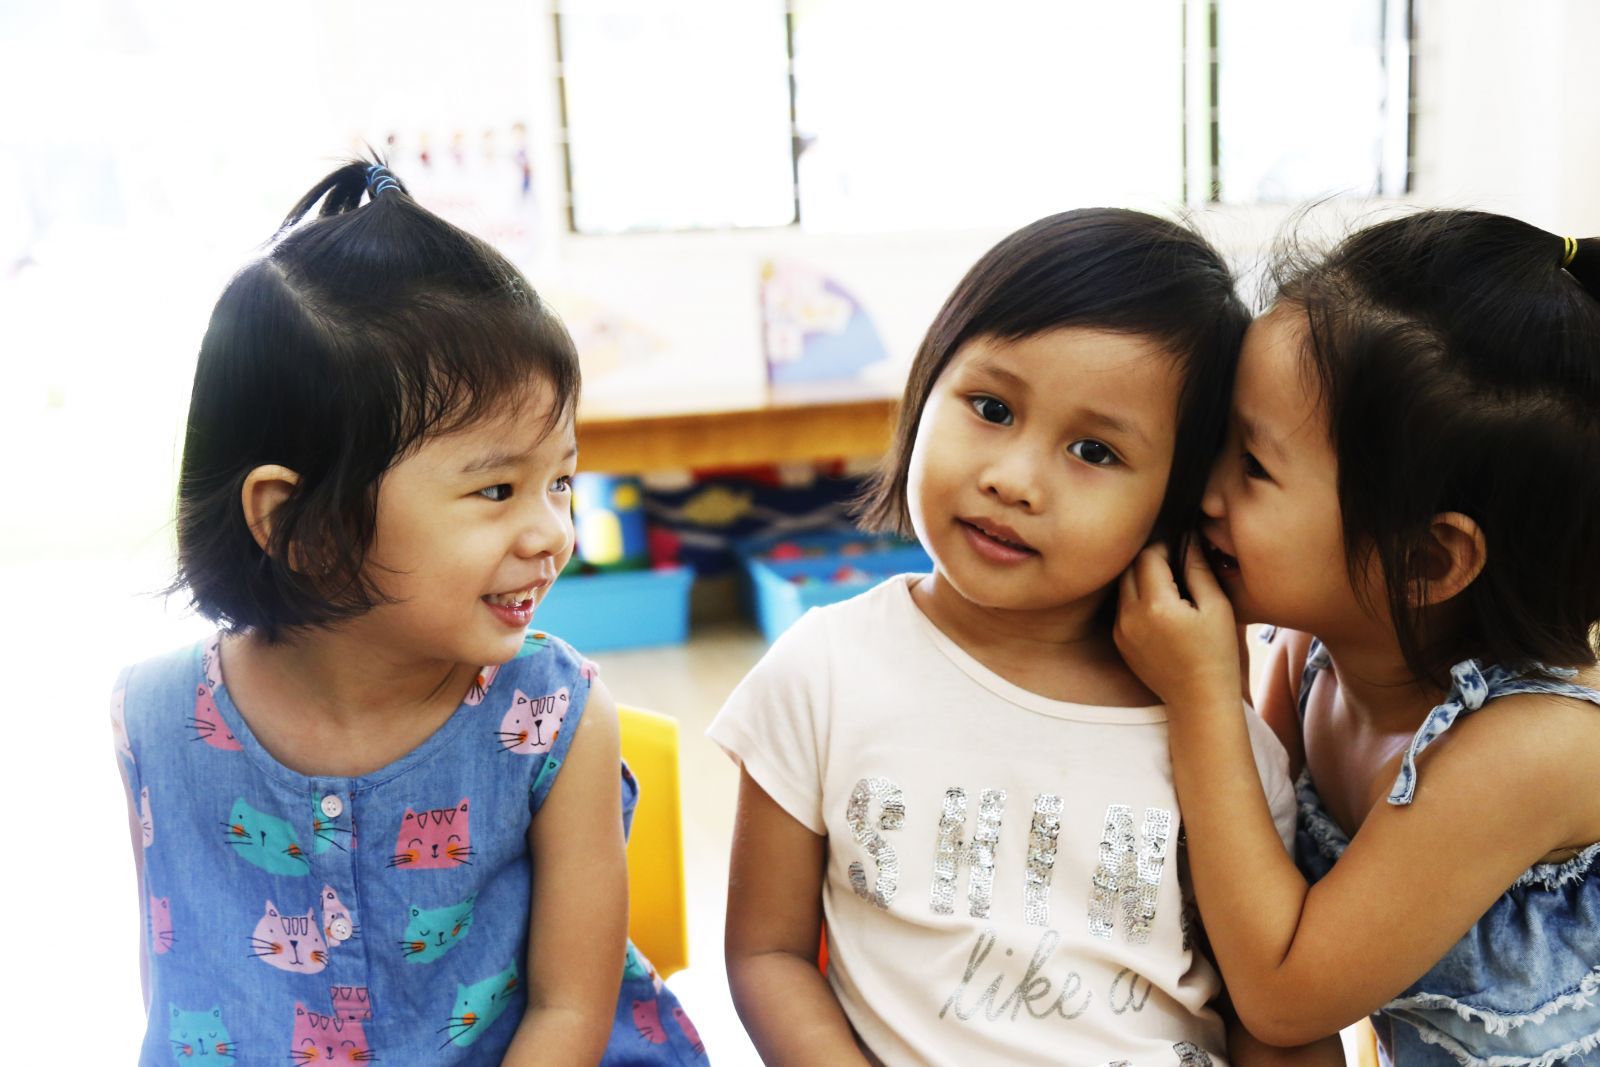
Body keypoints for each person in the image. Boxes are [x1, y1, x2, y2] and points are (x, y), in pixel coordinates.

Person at [111, 161, 707, 1066]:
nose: (553, 532)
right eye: (497, 488)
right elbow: (178, 982)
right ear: (301, 524)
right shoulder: (157, 722)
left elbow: (568, 1012)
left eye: (560, 479)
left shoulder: (553, 714)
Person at [711, 209, 1325, 1066]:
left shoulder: (1215, 742)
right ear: (926, 386)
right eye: (992, 408)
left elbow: (1273, 1021)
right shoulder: (825, 671)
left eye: (1094, 451)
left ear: (1175, 499)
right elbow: (767, 953)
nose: (1014, 479)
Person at [1115, 211, 1600, 1065]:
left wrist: (1202, 696)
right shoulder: (1311, 656)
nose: (1204, 489)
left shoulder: (1533, 746)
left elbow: (1284, 993)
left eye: (1253, 466)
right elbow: (1248, 859)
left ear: (1425, 559)